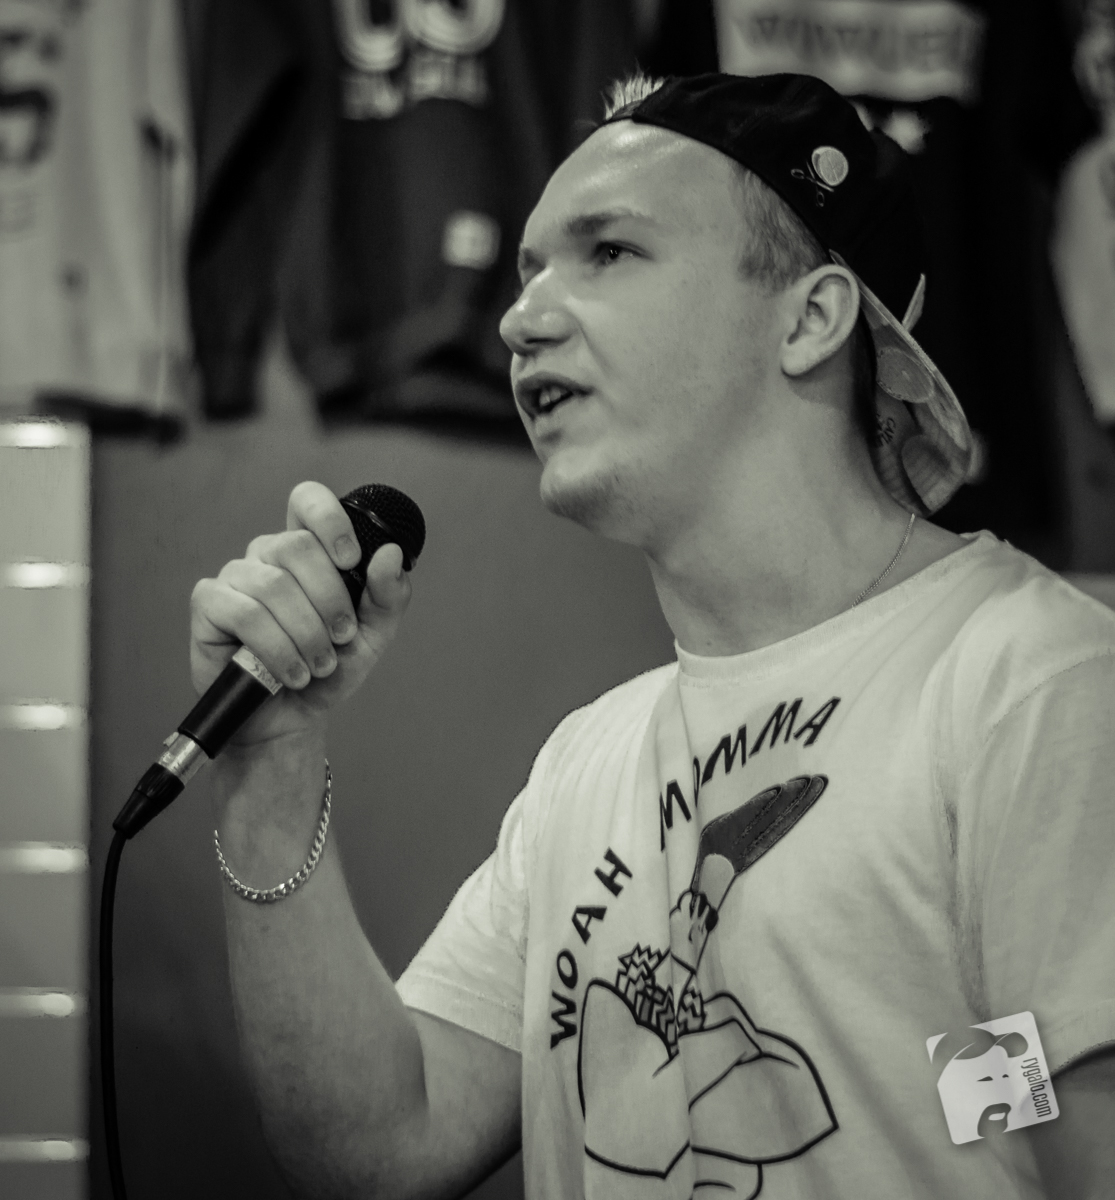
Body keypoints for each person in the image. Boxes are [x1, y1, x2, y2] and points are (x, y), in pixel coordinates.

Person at [189, 73, 1115, 1199]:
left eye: (609, 252)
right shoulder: (590, 759)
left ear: (810, 319)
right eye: (528, 271)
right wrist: (272, 771)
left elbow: (1066, 1147)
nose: (518, 319)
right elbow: (382, 1144)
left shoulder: (1034, 686)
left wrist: (964, 1101)